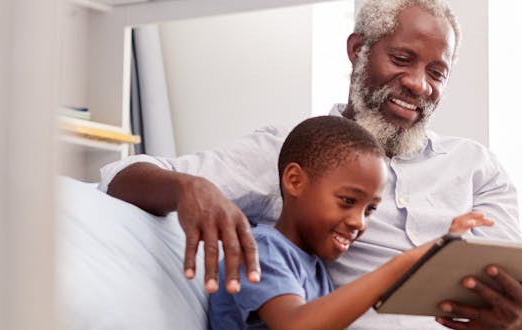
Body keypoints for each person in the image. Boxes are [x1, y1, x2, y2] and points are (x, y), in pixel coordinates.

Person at [101, 0, 522, 328]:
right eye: (401, 59)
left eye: (436, 72)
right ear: (356, 53)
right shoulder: (294, 151)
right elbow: (119, 178)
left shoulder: (475, 165)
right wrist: (189, 186)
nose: (418, 85)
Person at [207, 116, 498, 329]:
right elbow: (296, 326)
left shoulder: (314, 267)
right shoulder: (260, 251)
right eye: (347, 201)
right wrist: (402, 264)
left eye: (369, 210)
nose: (358, 222)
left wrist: (446, 252)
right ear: (295, 181)